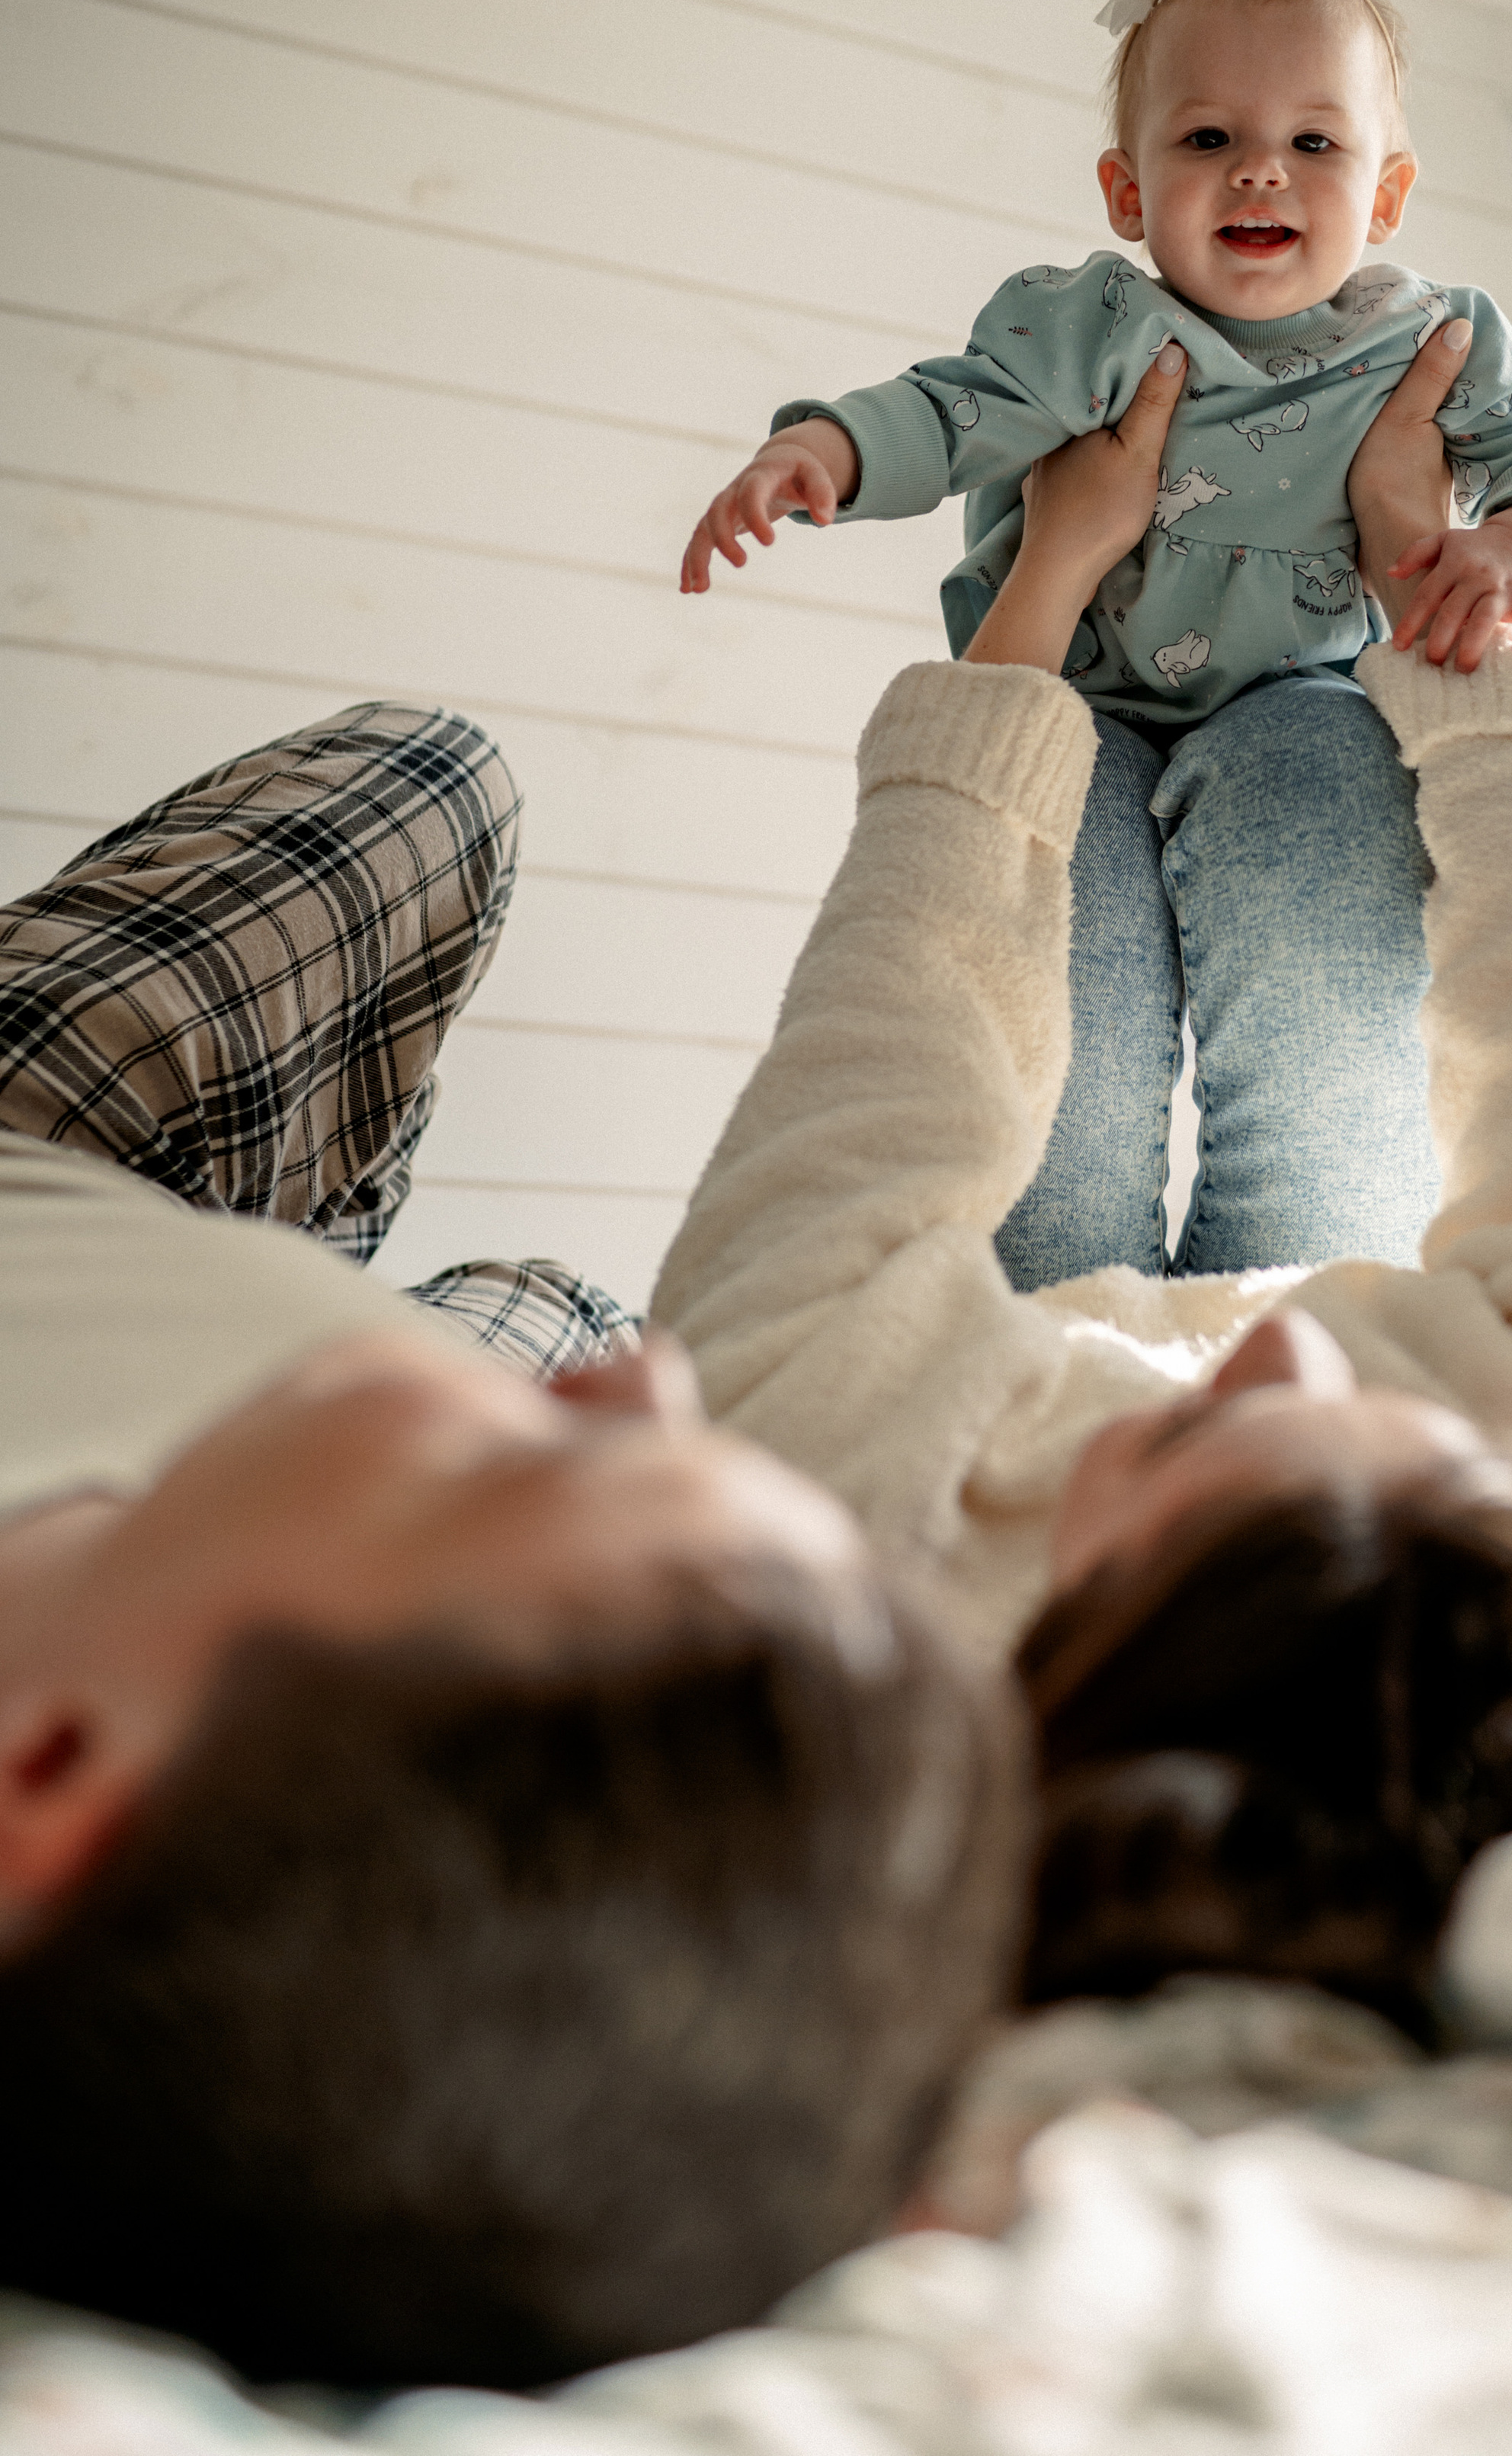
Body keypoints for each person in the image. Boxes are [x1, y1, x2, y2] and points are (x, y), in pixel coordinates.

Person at [651, 318, 1512, 2029]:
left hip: (1007, 1323)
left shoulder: (838, 1543)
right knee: (1304, 766)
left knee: (1057, 855)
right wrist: (1442, 601)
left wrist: (1042, 589)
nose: (1281, 1343)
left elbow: (878, 1063)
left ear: (1072, 1610)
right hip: (1333, 1128)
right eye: (1388, 1432)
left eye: (1194, 1429)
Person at [0, 709, 1024, 2388]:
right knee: (556, 1275)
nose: (652, 1381)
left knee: (428, 835)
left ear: (50, 1767)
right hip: (215, 1424)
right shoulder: (224, 1712)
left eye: (522, 1465)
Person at [676, 0, 1512, 1288]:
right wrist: (820, 447)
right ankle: (1065, 1314)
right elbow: (954, 410)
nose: (1260, 174)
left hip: (1303, 699)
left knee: (1327, 889)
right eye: (1208, 140)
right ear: (1128, 192)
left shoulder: (1431, 340)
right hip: (1083, 710)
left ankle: (1281, 1300)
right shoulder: (1097, 324)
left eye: (1313, 141)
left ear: (1388, 191)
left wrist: (1508, 548)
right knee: (1064, 1007)